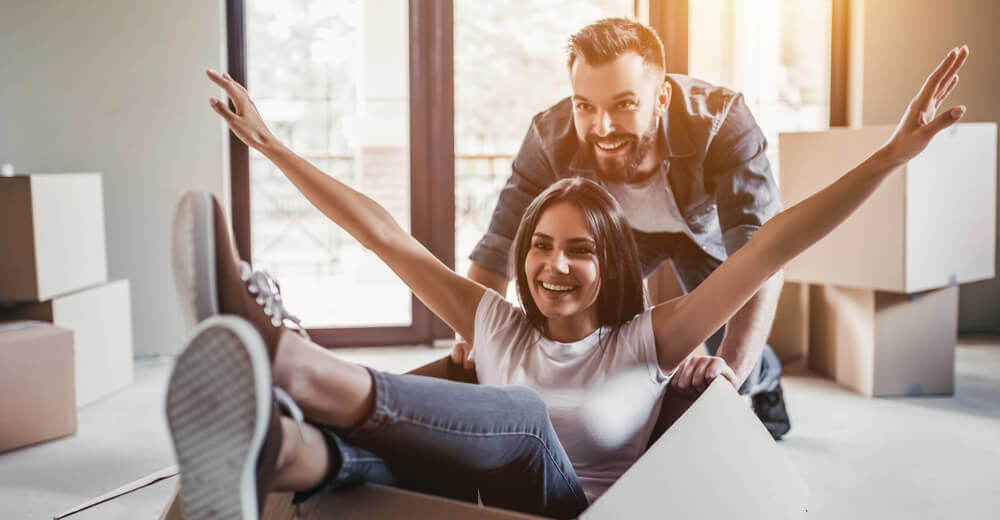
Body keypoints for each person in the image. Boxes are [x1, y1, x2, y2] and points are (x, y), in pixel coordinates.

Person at [166, 43, 969, 520]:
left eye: (580, 250)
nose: (555, 264)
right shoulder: (496, 322)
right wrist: (272, 148)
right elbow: (384, 235)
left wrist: (892, 156)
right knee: (356, 456)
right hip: (479, 496)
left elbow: (771, 246)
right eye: (542, 247)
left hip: (570, 507)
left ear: (609, 263)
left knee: (515, 416)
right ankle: (276, 452)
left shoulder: (650, 339)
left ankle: (285, 356)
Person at [458, 18, 790, 438]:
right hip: (622, 235)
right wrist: (472, 337)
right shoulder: (549, 137)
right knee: (605, 326)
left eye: (624, 104)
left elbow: (761, 256)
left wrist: (730, 380)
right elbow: (498, 246)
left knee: (732, 340)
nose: (603, 127)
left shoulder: (723, 121)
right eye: (585, 106)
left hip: (702, 233)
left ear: (662, 97)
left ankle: (767, 377)